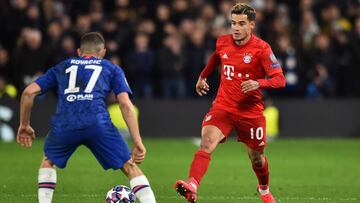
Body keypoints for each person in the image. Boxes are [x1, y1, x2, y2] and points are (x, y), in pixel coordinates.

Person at [16, 32, 156, 203]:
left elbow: (28, 92)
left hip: (65, 123)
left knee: (48, 161)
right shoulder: (111, 68)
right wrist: (137, 141)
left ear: (78, 51)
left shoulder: (62, 67)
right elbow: (126, 105)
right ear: (103, 52)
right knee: (129, 166)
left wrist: (24, 124)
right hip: (98, 123)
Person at [175, 3, 286, 203]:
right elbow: (216, 58)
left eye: (241, 23)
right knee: (207, 143)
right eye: (233, 23)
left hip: (250, 112)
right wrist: (203, 77)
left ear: (252, 25)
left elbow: (280, 79)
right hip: (223, 106)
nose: (235, 28)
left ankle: (264, 190)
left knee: (257, 159)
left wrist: (258, 82)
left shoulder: (262, 49)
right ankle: (192, 184)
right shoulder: (223, 42)